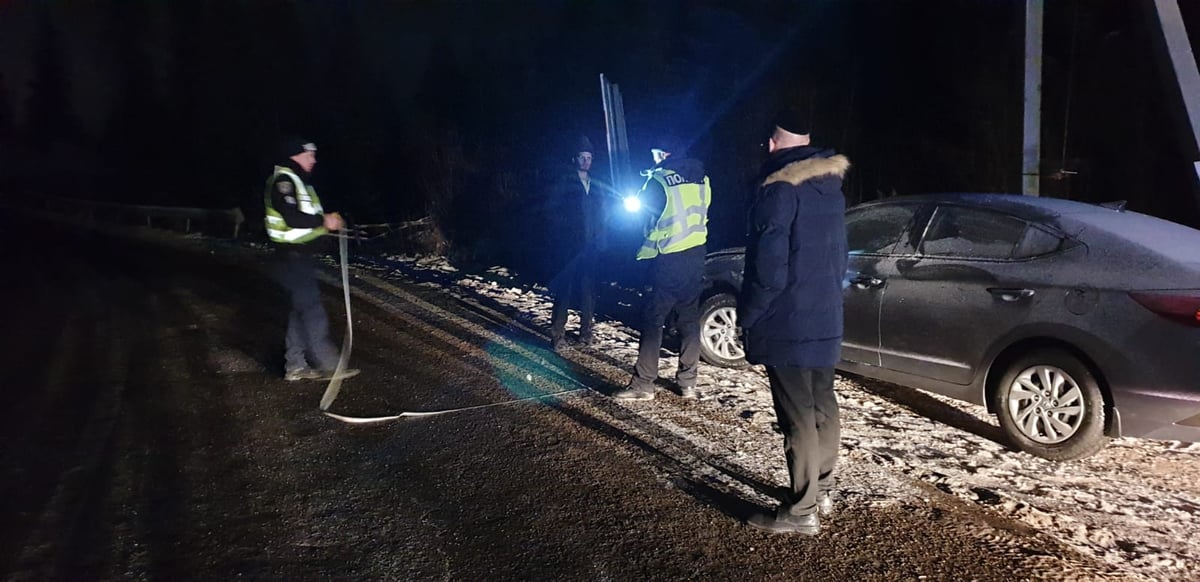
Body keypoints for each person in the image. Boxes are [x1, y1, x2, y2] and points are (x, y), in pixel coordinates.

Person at [740, 109, 850, 534]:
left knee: (797, 414)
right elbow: (839, 254)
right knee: (823, 401)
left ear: (774, 144)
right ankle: (823, 487)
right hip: (825, 312)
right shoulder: (829, 186)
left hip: (787, 318)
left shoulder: (778, 190)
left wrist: (749, 314)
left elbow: (769, 269)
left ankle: (801, 511)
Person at [612, 140, 710, 401]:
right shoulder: (703, 179)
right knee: (689, 320)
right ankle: (688, 382)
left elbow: (639, 213)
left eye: (656, 153)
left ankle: (643, 384)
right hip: (696, 257)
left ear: (666, 153)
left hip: (668, 259)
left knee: (654, 320)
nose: (654, 158)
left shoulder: (661, 181)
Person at [263, 137, 359, 382]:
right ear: (295, 156)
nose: (313, 160)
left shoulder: (301, 183)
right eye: (309, 155)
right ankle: (329, 364)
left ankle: (295, 366)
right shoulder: (284, 182)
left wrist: (328, 224)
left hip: (299, 257)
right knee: (312, 309)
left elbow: (307, 221)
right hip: (291, 257)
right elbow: (292, 218)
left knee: (299, 310)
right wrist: (323, 221)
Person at [548, 135, 605, 352]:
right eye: (582, 157)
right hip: (569, 247)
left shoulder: (596, 184)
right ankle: (557, 335)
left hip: (591, 247)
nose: (585, 161)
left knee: (588, 290)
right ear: (575, 159)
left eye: (589, 157)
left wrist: (602, 240)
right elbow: (551, 210)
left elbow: (603, 214)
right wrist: (564, 233)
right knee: (565, 290)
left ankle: (586, 333)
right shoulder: (565, 182)